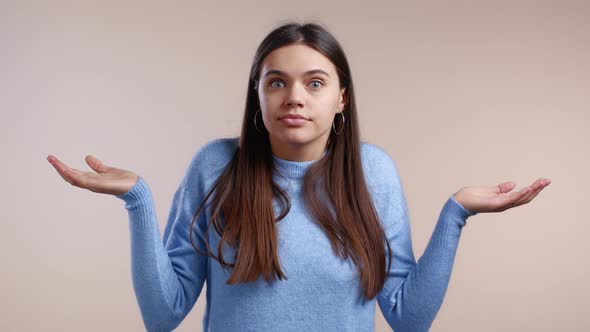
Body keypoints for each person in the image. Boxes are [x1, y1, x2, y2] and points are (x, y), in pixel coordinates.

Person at [47, 22, 551, 332]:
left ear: (341, 99)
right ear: (259, 96)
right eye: (277, 82)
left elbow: (408, 319)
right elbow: (162, 316)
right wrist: (137, 199)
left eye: (315, 82)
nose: (295, 96)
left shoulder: (373, 172)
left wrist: (456, 214)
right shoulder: (215, 167)